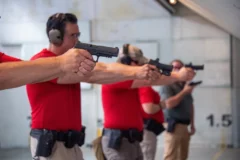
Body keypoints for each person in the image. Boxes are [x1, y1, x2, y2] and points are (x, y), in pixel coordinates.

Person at [26, 13, 160, 160]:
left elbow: (102, 71)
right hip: (52, 144)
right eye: (72, 35)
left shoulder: (69, 63)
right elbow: (98, 72)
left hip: (70, 143)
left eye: (78, 35)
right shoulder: (43, 61)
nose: (77, 41)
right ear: (55, 37)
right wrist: (136, 71)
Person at [100, 44, 195, 160]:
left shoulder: (129, 80)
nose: (141, 67)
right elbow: (151, 80)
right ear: (126, 61)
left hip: (132, 140)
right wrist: (178, 75)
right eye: (138, 63)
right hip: (119, 141)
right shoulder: (116, 76)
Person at [0, 48, 96, 90]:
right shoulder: (42, 57)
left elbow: (24, 69)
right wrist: (61, 63)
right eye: (72, 35)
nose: (75, 39)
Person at [160, 59, 196, 160]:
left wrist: (192, 124)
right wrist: (184, 92)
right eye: (174, 67)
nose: (177, 69)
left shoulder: (184, 85)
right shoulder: (167, 84)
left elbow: (190, 105)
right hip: (173, 125)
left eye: (179, 67)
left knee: (183, 156)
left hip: (185, 125)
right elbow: (168, 104)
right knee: (171, 156)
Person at [138, 86, 165, 160]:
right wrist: (162, 105)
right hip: (147, 129)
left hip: (147, 129)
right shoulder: (145, 88)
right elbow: (149, 108)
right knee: (147, 156)